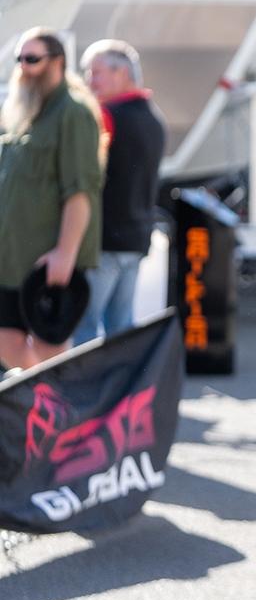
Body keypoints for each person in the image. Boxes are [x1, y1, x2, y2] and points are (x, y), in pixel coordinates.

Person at [0, 27, 104, 370]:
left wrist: (66, 253)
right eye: (20, 59)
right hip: (10, 256)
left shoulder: (73, 112)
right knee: (7, 340)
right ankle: (42, 407)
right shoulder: (22, 112)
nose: (24, 67)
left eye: (32, 59)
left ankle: (59, 417)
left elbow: (80, 191)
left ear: (57, 62)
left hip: (47, 257)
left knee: (49, 350)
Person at [71, 39, 166, 346]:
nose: (89, 80)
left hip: (104, 242)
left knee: (84, 330)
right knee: (121, 330)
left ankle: (89, 395)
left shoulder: (106, 116)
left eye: (95, 72)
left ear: (121, 73)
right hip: (136, 239)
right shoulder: (154, 117)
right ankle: (124, 393)